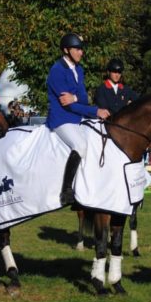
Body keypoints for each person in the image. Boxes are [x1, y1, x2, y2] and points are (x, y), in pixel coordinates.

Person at [46, 33, 110, 205]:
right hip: (61, 119)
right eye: (77, 49)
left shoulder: (79, 70)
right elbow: (68, 105)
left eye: (81, 49)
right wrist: (95, 111)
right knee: (80, 146)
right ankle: (66, 191)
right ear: (66, 50)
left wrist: (74, 98)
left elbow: (82, 99)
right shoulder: (56, 71)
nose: (81, 53)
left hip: (77, 116)